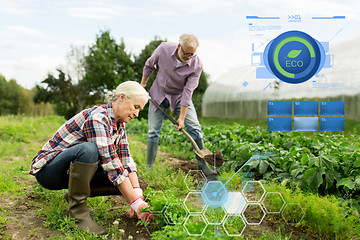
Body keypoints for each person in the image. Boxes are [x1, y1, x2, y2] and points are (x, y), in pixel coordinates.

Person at [30, 81, 153, 235]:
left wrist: (138, 196)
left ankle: (73, 197)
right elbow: (112, 165)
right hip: (48, 172)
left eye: (140, 110)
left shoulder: (119, 124)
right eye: (136, 107)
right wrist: (135, 202)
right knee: (89, 150)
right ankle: (78, 214)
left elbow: (126, 160)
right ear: (122, 97)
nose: (137, 114)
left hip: (70, 171)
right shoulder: (97, 118)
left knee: (126, 180)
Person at [140, 33, 217, 179]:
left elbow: (188, 92)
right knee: (153, 131)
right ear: (178, 46)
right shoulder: (163, 49)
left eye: (192, 54)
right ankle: (150, 167)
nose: (189, 57)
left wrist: (181, 118)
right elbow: (150, 65)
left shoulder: (196, 65)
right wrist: (143, 84)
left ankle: (203, 166)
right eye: (186, 53)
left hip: (179, 96)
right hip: (159, 93)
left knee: (194, 127)